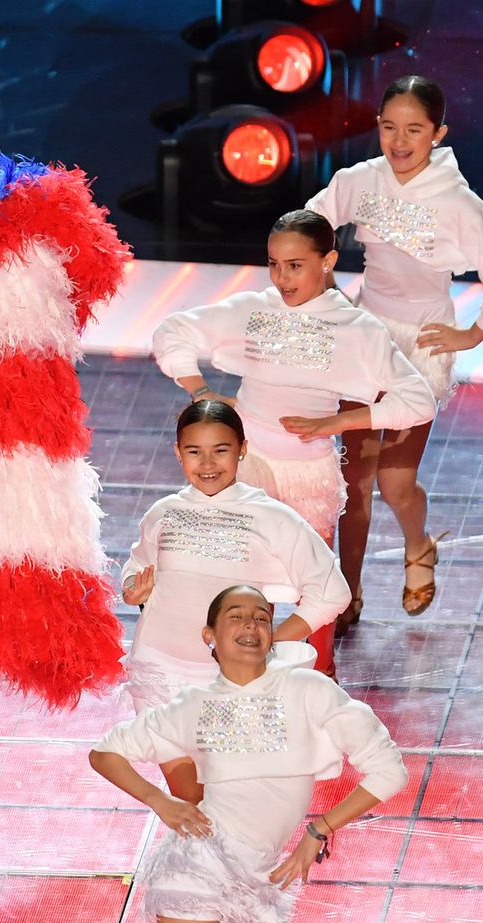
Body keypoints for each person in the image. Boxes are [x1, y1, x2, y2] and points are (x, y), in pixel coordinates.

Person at [151, 209, 435, 675]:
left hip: (309, 473)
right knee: (234, 571)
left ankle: (317, 675)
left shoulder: (356, 328)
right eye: (274, 264)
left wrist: (339, 422)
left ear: (328, 261)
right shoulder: (256, 308)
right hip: (248, 465)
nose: (282, 277)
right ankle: (231, 670)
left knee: (314, 581)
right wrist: (200, 391)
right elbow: (174, 330)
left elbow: (417, 399)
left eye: (295, 265)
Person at [90, 585, 407, 923]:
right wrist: (160, 801)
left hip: (255, 878)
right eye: (236, 616)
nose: (251, 624)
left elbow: (388, 771)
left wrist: (320, 830)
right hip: (197, 867)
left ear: (271, 634)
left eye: (260, 616)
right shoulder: (194, 704)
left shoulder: (308, 690)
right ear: (211, 635)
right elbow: (105, 753)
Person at [305, 75, 483, 628]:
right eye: (389, 128)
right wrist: (326, 290)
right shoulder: (361, 181)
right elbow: (306, 229)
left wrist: (470, 335)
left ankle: (419, 546)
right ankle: (348, 595)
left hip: (422, 345)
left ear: (438, 133)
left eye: (414, 130)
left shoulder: (458, 203)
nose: (399, 141)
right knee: (353, 483)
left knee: (393, 482)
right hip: (366, 339)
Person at [121, 399, 349, 803]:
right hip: (158, 670)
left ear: (242, 449)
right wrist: (133, 589)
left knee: (228, 803)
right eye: (194, 451)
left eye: (220, 450)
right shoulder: (164, 512)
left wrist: (273, 640)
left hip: (227, 682)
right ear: (178, 453)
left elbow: (331, 590)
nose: (207, 463)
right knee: (188, 800)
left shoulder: (271, 517)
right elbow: (137, 563)